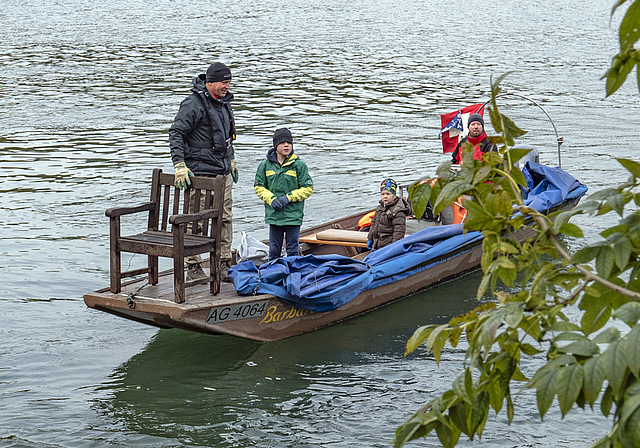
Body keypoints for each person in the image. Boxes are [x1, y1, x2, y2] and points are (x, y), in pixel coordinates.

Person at [169, 62, 238, 282]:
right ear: (210, 82)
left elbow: (227, 137)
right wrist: (179, 164)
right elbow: (176, 133)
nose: (227, 86)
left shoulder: (224, 103)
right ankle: (194, 266)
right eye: (223, 82)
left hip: (222, 173)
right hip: (199, 174)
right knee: (195, 221)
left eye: (229, 82)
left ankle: (224, 262)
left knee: (225, 219)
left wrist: (232, 160)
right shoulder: (193, 104)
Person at [254, 128, 313, 261]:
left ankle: (293, 276)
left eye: (289, 142)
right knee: (274, 250)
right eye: (282, 142)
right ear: (276, 145)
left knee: (292, 249)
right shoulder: (264, 166)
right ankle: (273, 274)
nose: (286, 145)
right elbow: (259, 186)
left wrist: (288, 198)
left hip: (293, 215)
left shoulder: (299, 165)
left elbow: (308, 188)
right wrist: (271, 199)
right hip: (274, 215)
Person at [367, 178, 410, 250]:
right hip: (377, 243)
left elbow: (399, 232)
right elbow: (374, 224)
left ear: (393, 195)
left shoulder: (398, 211)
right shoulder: (379, 208)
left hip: (388, 245)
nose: (385, 196)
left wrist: (394, 247)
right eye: (382, 194)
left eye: (388, 194)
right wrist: (370, 238)